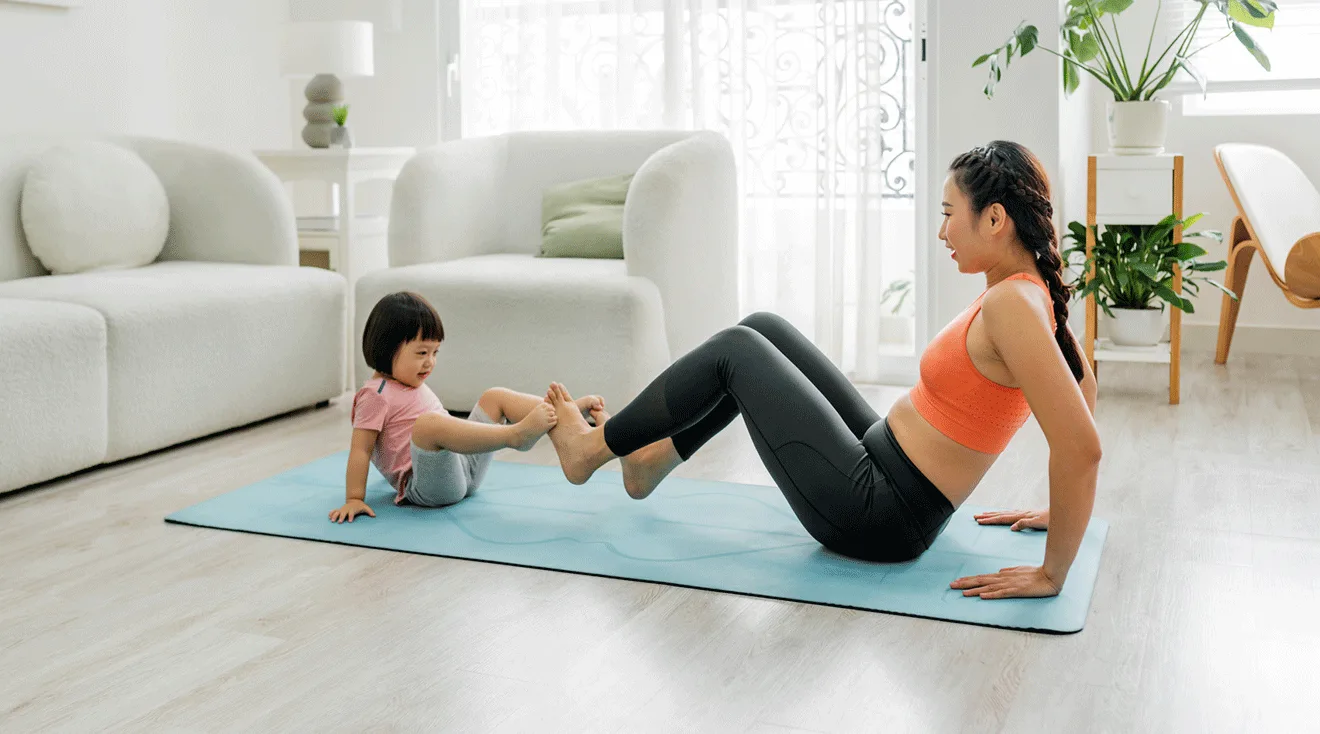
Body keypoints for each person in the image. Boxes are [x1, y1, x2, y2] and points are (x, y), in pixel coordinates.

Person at [540, 140, 1100, 600]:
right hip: (883, 459)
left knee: (736, 351)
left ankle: (591, 452)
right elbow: (1083, 384)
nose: (941, 232)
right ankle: (646, 463)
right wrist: (1058, 510)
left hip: (879, 511)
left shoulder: (1011, 307)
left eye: (950, 215)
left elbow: (1081, 446)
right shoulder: (1028, 295)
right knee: (764, 328)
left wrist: (1052, 573)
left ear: (995, 219)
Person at [329, 291, 604, 523]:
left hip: (463, 470)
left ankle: (566, 419)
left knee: (494, 397)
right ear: (387, 349)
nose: (430, 362)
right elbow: (360, 449)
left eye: (435, 353)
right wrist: (354, 497)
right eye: (422, 353)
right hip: (428, 488)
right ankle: (515, 435)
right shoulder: (374, 395)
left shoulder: (407, 382)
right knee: (428, 425)